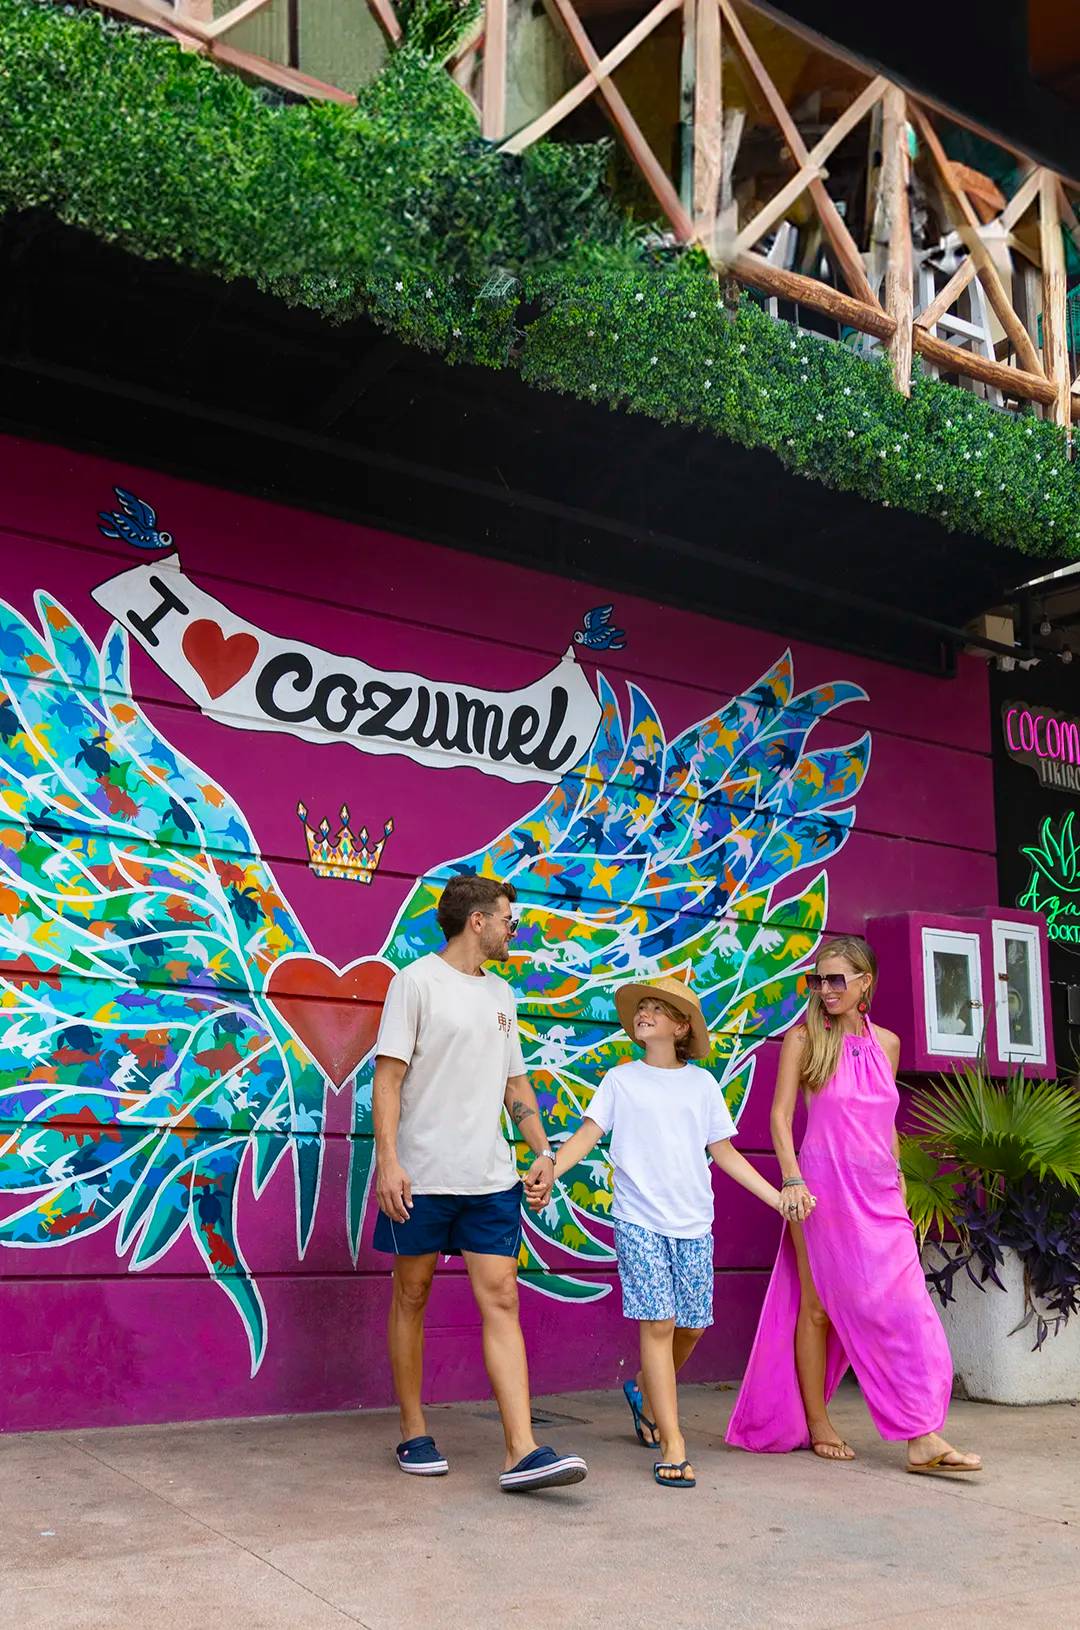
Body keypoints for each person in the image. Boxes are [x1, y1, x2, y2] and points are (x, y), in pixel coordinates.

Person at [725, 935, 982, 1477]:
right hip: (821, 1190)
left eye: (836, 979)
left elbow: (885, 1123)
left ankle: (920, 1433)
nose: (825, 989)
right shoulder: (804, 1040)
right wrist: (792, 1180)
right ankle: (819, 1423)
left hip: (881, 1192)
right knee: (816, 1307)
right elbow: (779, 1118)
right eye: (817, 980)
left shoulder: (887, 1043)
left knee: (908, 1308)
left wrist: (900, 1181)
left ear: (865, 982)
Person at [528, 975, 795, 1489]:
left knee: (691, 1327)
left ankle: (644, 1389)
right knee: (659, 1323)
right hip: (638, 1220)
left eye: (657, 1008)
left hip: (693, 1222)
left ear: (680, 1027)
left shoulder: (702, 1085)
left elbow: (725, 1153)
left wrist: (777, 1197)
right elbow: (586, 1136)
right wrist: (550, 1171)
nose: (644, 1013)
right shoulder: (620, 1080)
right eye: (641, 1007)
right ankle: (673, 1443)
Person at [372, 873, 588, 1493]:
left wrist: (542, 1151)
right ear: (479, 921)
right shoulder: (415, 983)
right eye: (509, 920)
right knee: (411, 1295)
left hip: (490, 1177)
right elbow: (387, 1079)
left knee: (502, 1297)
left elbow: (515, 1084)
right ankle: (414, 1431)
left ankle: (522, 1449)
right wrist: (388, 1161)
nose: (513, 931)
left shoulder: (502, 994)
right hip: (422, 1174)